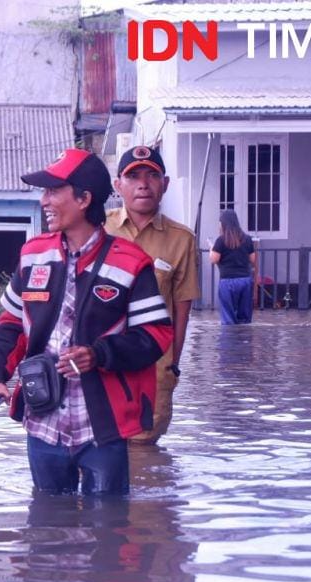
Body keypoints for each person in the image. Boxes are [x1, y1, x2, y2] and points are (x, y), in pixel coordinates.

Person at [0, 149, 173, 495]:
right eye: (45, 192)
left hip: (102, 425)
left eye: (54, 191)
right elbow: (11, 323)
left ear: (84, 199)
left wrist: (99, 354)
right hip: (42, 419)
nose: (44, 201)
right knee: (46, 527)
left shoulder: (131, 263)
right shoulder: (33, 254)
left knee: (109, 529)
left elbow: (156, 336)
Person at [104, 145, 199, 447]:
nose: (143, 184)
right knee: (100, 451)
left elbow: (182, 309)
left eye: (152, 175)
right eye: (133, 177)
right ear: (117, 185)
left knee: (145, 461)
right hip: (101, 366)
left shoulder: (181, 239)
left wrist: (171, 366)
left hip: (154, 371)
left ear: (165, 184)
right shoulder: (98, 229)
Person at [209, 209, 257, 324]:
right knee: (245, 318)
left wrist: (211, 249)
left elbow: (214, 259)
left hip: (228, 282)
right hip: (245, 281)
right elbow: (253, 259)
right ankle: (244, 340)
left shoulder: (221, 240)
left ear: (223, 223)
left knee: (228, 318)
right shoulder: (247, 239)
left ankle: (230, 341)